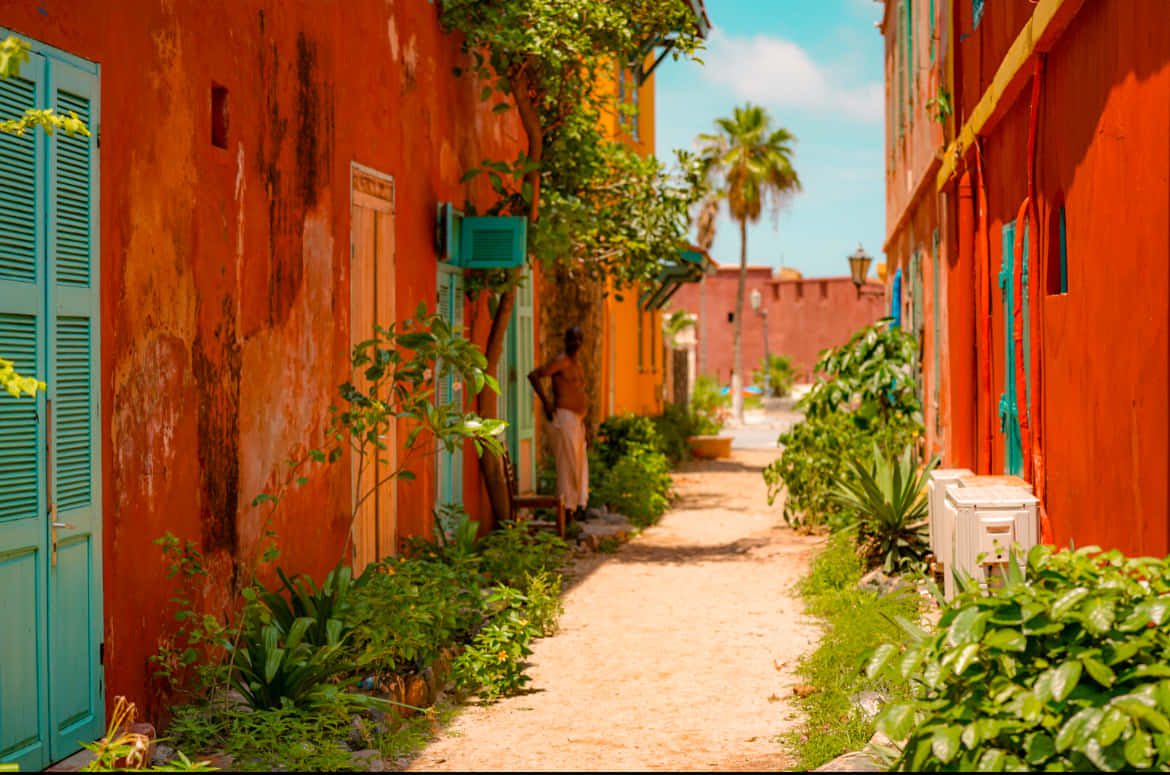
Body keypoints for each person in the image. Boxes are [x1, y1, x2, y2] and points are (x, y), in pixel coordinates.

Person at [528, 327, 588, 519]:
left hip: (577, 421)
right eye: (572, 339)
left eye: (579, 339)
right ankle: (565, 514)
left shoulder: (577, 364)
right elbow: (534, 375)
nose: (575, 343)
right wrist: (547, 403)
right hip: (564, 418)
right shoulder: (561, 361)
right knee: (567, 467)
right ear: (566, 340)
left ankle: (573, 510)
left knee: (578, 467)